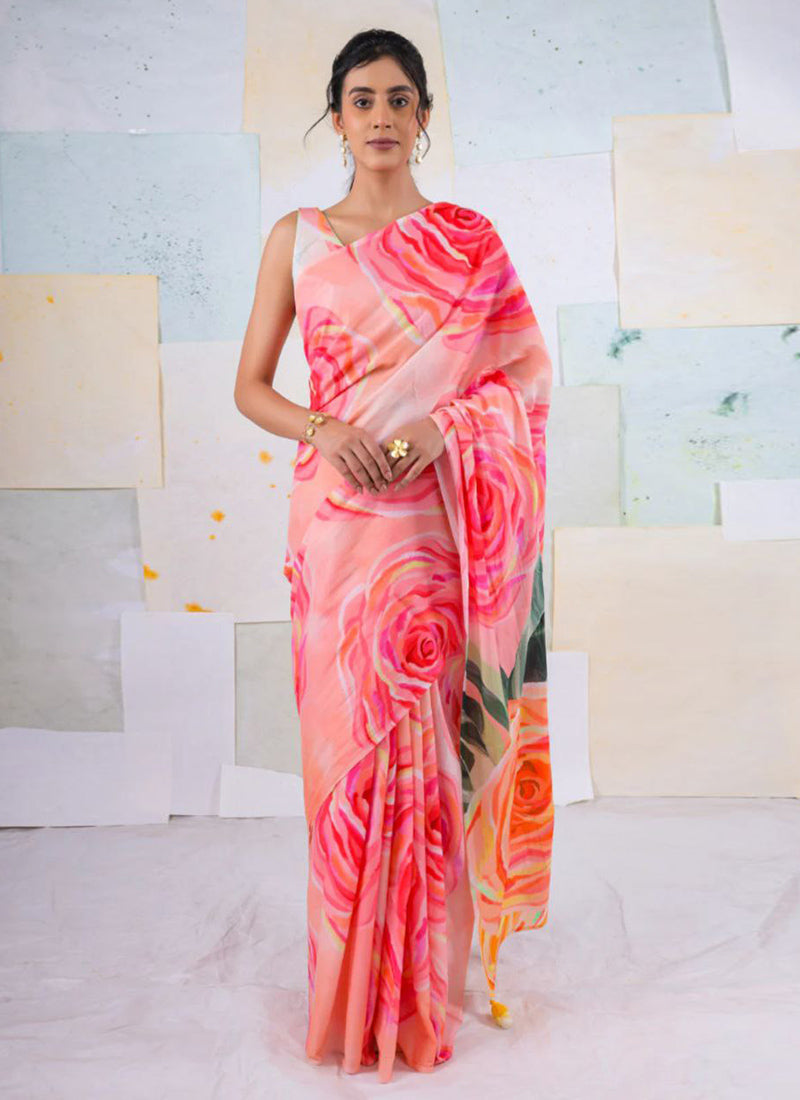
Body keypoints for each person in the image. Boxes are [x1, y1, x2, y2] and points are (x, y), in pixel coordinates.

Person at [234, 27, 554, 1084]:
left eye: (398, 99)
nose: (379, 116)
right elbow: (251, 387)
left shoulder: (468, 243)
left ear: (423, 116)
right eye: (361, 99)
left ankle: (416, 993)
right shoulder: (298, 239)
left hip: (431, 525)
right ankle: (348, 992)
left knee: (424, 744)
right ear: (337, 117)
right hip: (335, 525)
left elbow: (519, 380)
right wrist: (324, 429)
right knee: (344, 757)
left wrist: (440, 430)